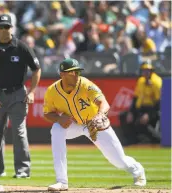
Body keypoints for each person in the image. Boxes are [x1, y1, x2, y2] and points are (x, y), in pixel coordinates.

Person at [43, 58, 146, 191]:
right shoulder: (52, 91)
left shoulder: (85, 84)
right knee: (56, 129)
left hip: (94, 123)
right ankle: (62, 181)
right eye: (71, 72)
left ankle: (138, 171)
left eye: (77, 71)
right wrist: (58, 119)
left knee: (118, 160)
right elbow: (47, 113)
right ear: (62, 74)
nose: (75, 75)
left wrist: (100, 115)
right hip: (74, 124)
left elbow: (104, 103)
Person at [0, 14, 41, 178]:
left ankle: (23, 170)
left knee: (19, 132)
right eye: (1, 27)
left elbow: (36, 69)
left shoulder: (22, 47)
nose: (4, 30)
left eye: (7, 27)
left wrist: (31, 92)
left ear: (12, 28)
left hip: (18, 94)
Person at [119, 62, 162, 145]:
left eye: (148, 71)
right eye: (144, 70)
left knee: (141, 123)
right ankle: (131, 141)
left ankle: (157, 140)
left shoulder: (157, 82)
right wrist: (131, 112)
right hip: (140, 108)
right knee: (123, 116)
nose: (146, 73)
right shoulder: (141, 80)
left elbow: (158, 102)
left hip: (152, 109)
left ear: (152, 71)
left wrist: (149, 115)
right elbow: (135, 97)